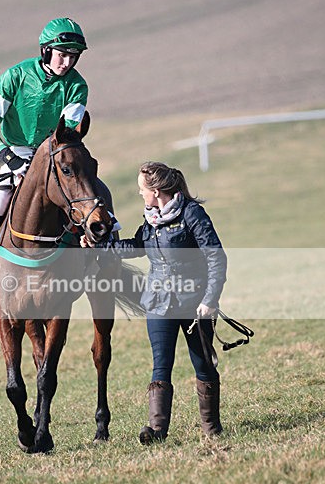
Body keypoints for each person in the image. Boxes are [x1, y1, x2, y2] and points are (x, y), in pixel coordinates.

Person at [82, 161, 227, 443]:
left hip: (194, 305)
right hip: (158, 304)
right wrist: (100, 246)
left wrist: (210, 299)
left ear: (157, 190)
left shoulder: (192, 214)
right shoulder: (150, 220)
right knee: (160, 365)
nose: (140, 194)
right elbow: (135, 246)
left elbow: (216, 257)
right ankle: (157, 431)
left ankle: (211, 428)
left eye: (142, 189)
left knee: (203, 366)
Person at [0, 17, 89, 274]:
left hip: (56, 149)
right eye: (62, 55)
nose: (67, 63)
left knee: (86, 187)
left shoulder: (77, 86)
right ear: (46, 50)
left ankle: (101, 244)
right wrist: (9, 158)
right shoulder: (15, 76)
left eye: (73, 56)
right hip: (18, 150)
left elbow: (68, 132)